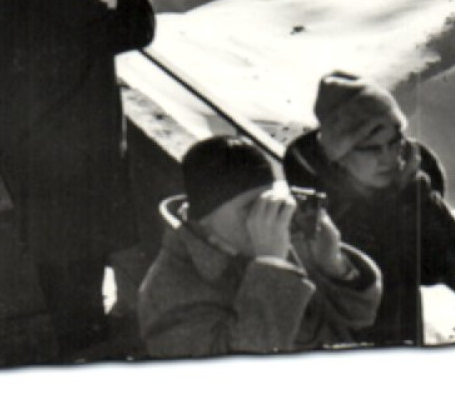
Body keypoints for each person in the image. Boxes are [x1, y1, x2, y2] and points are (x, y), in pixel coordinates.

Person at [0, 0, 155, 357]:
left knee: (49, 249)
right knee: (85, 253)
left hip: (27, 151)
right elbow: (139, 28)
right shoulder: (79, 9)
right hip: (81, 158)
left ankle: (67, 334)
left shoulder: (2, 2)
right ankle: (85, 341)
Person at [138, 135, 381, 358]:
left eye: (268, 201)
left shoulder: (281, 239)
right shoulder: (167, 290)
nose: (266, 217)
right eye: (249, 207)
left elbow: (359, 318)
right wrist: (272, 269)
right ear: (203, 220)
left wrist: (334, 265)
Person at [283, 72, 455, 347]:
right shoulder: (315, 214)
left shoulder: (403, 192)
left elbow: (449, 264)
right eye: (371, 149)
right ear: (341, 153)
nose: (388, 158)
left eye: (394, 142)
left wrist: (415, 195)